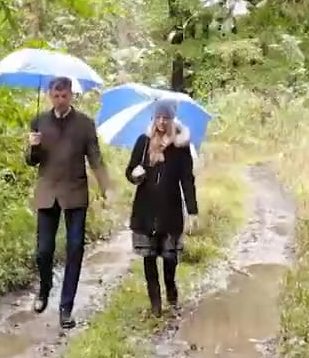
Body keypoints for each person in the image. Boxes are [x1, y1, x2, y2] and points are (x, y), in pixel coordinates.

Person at [25, 76, 111, 329]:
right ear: (50, 95)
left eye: (65, 96)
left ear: (72, 95)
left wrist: (106, 187)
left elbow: (95, 157)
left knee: (75, 249)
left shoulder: (85, 124)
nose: (60, 101)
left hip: (75, 192)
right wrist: (33, 147)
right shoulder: (39, 121)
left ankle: (66, 307)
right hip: (47, 192)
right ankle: (44, 288)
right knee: (43, 251)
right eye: (56, 96)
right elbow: (32, 161)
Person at [125, 99, 199, 315]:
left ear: (172, 119)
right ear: (153, 118)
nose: (161, 121)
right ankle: (155, 302)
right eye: (158, 117)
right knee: (148, 257)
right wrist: (134, 175)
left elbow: (187, 179)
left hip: (170, 208)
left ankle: (171, 288)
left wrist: (193, 210)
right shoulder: (144, 142)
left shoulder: (180, 148)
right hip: (145, 208)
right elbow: (130, 170)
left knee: (169, 258)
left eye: (166, 117)